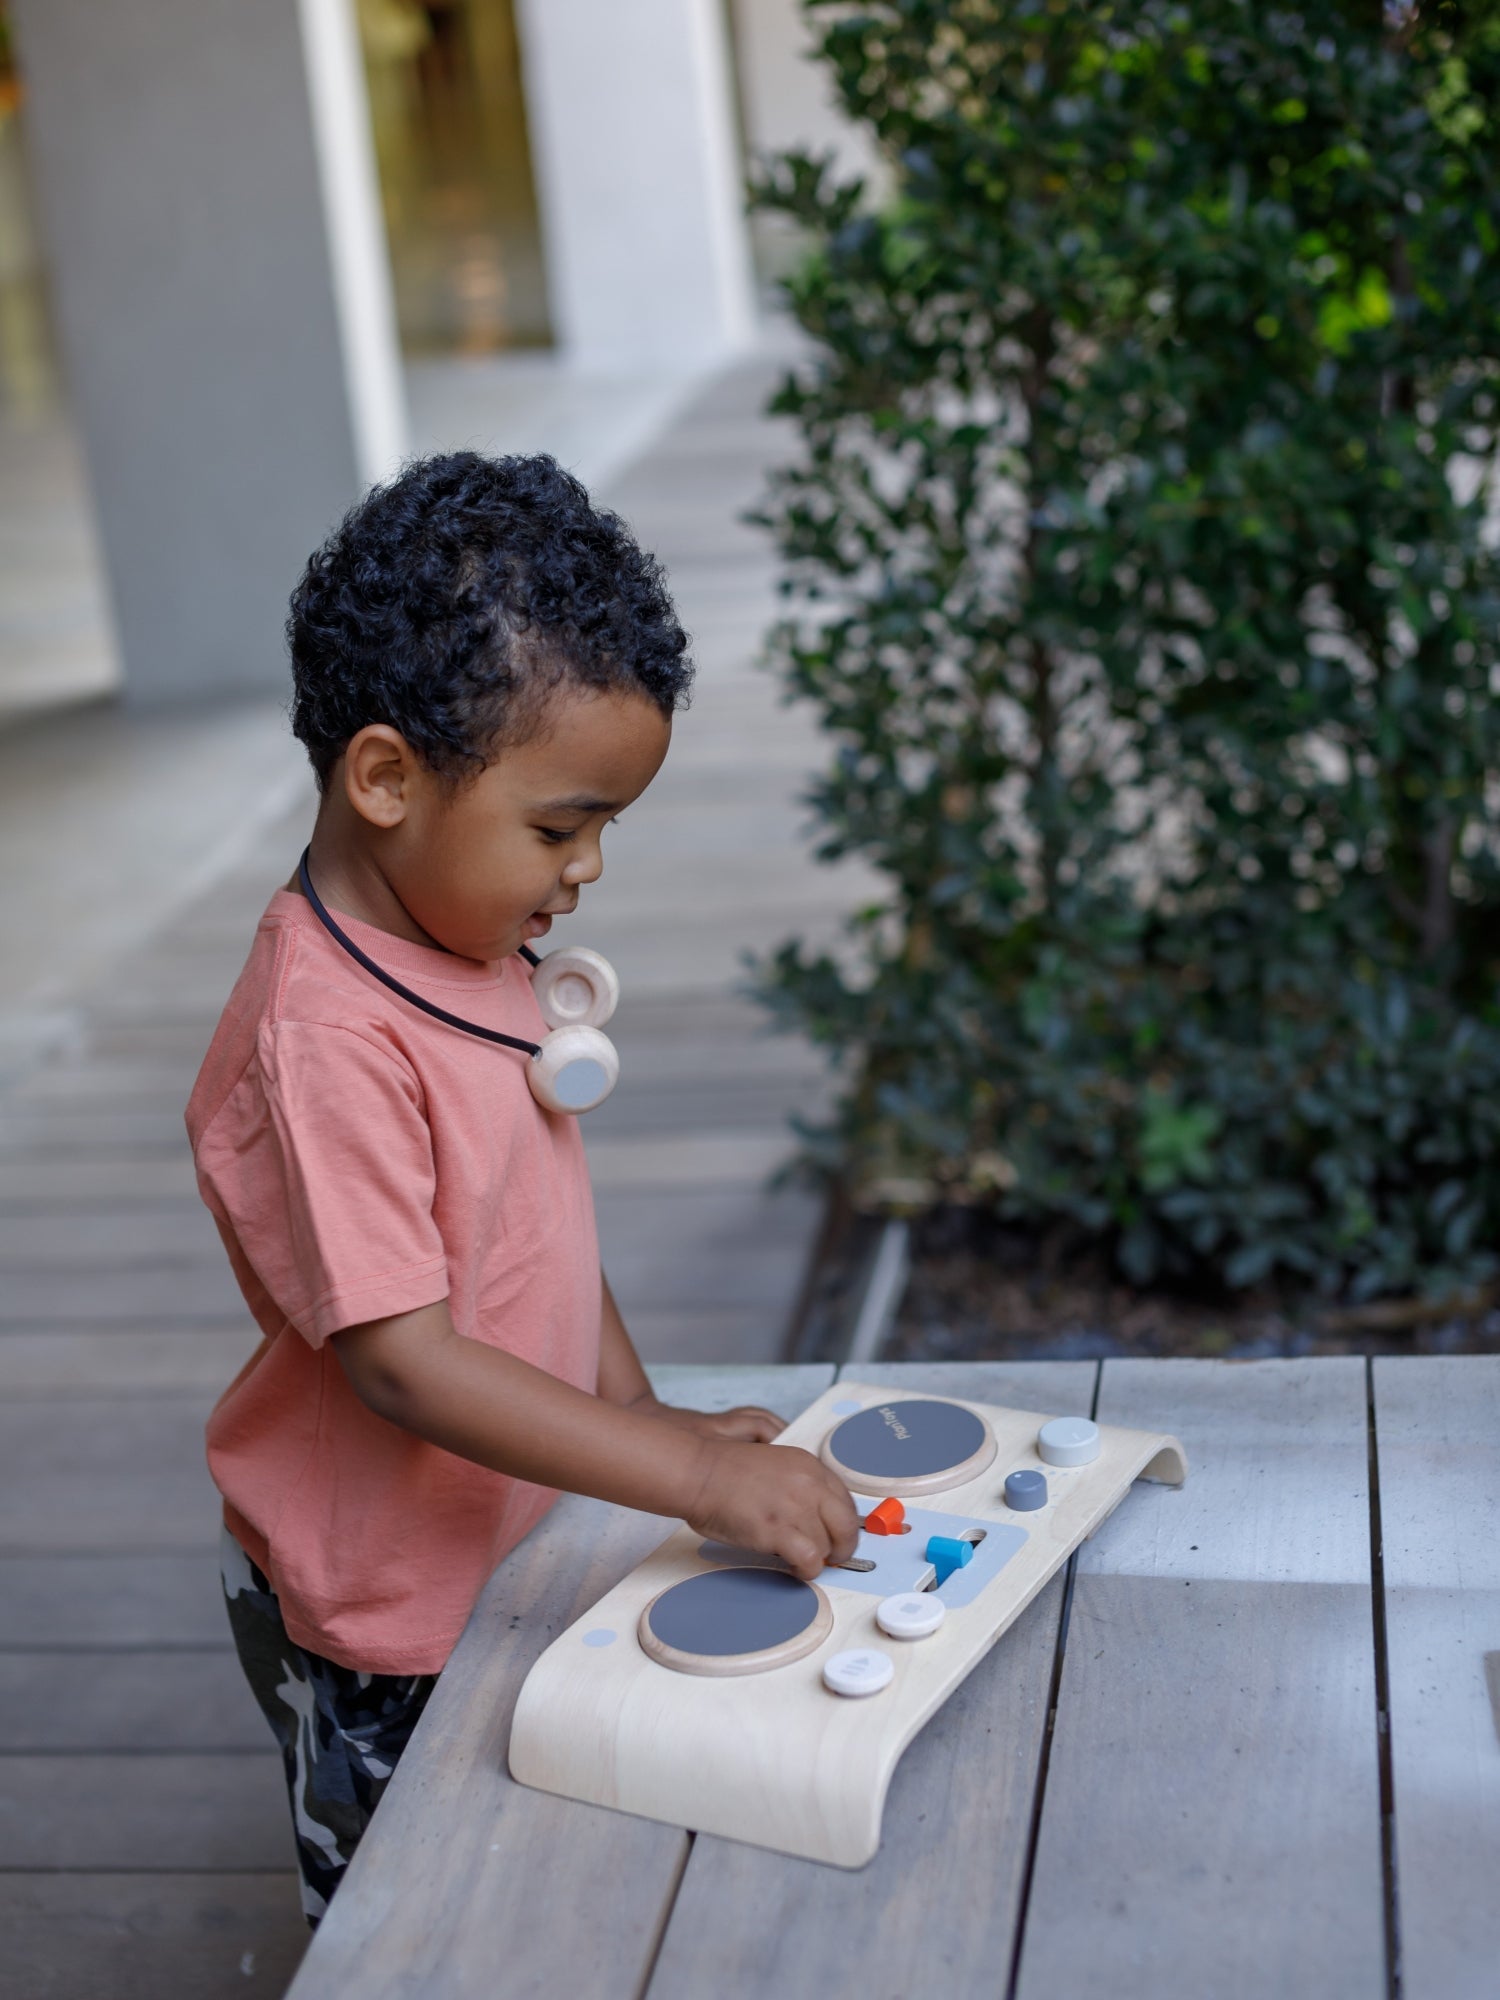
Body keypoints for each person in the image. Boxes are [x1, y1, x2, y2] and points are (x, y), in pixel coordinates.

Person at [185, 451, 860, 1924]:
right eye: (559, 827)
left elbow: (533, 1218)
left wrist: (636, 1416)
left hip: (512, 1536)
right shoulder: (326, 1038)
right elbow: (409, 1365)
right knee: (418, 1917)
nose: (590, 867)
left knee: (557, 1872)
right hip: (387, 1609)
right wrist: (688, 1478)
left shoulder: (461, 941)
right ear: (385, 778)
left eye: (605, 827)